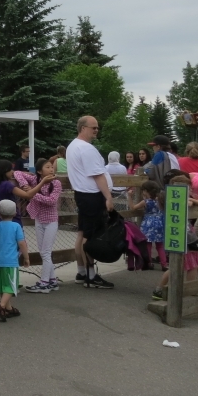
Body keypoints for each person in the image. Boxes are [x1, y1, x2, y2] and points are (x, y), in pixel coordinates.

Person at [66, 116, 115, 288]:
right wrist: (108, 196)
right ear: (82, 128)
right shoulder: (86, 149)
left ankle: (81, 271)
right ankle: (90, 275)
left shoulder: (73, 146)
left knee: (82, 234)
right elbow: (97, 174)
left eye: (97, 127)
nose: (96, 130)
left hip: (83, 195)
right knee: (90, 236)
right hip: (91, 196)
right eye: (93, 127)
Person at [151, 174, 198, 300]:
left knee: (188, 265)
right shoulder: (179, 201)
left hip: (186, 235)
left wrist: (194, 198)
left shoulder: (180, 200)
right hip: (187, 236)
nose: (190, 191)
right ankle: (164, 289)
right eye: (188, 189)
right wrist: (194, 199)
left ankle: (163, 290)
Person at [0, 199, 29, 321]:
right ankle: (1, 305)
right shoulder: (16, 226)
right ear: (14, 213)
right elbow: (22, 243)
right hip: (11, 262)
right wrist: (26, 257)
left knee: (3, 286)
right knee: (11, 286)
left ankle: (8, 308)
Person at [24, 157, 62, 293]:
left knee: (46, 252)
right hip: (39, 219)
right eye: (47, 167)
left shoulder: (56, 183)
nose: (51, 169)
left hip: (51, 220)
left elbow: (52, 201)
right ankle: (52, 281)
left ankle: (44, 282)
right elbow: (17, 174)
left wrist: (32, 193)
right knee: (43, 252)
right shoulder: (36, 180)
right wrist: (26, 180)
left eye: (52, 167)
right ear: (39, 171)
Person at [0, 158, 54, 226]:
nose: (12, 172)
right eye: (10, 169)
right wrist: (42, 182)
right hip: (13, 218)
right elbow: (27, 195)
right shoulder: (7, 185)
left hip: (1, 218)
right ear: (4, 171)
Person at [132, 180, 167, 270]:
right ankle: (164, 264)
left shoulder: (146, 202)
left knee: (148, 244)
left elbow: (133, 207)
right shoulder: (161, 199)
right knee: (160, 245)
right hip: (159, 221)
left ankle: (149, 263)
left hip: (148, 223)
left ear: (146, 191)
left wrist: (128, 196)